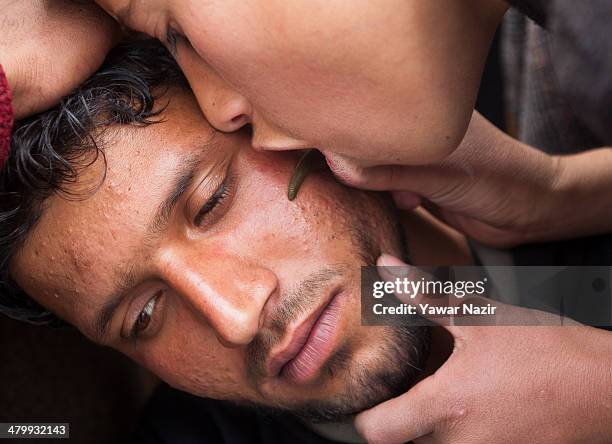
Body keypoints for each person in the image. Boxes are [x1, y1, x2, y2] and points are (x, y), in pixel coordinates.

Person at [3, 40, 611, 444]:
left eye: (213, 201)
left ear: (279, 119)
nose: (237, 316)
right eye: (145, 315)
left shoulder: (549, 72)